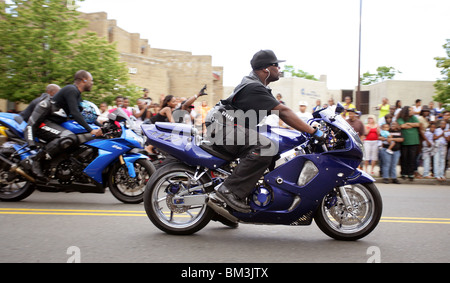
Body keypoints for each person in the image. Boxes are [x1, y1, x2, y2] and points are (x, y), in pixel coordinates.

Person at [206, 50, 323, 213]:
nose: (279, 68)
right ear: (266, 69)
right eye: (276, 65)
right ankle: (229, 191)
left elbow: (278, 115)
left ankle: (224, 212)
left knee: (272, 141)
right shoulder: (254, 87)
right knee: (265, 147)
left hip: (225, 127)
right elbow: (284, 112)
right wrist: (313, 132)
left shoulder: (256, 86)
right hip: (222, 128)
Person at [25, 70, 102, 179]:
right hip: (44, 123)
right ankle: (36, 160)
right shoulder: (71, 90)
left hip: (55, 124)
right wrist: (90, 130)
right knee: (68, 137)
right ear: (84, 80)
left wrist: (101, 126)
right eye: (91, 80)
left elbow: (84, 115)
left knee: (75, 140)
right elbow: (75, 113)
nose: (92, 83)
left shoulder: (77, 95)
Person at [397, 106, 421, 181]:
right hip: (405, 142)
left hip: (414, 141)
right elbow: (402, 126)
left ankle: (411, 174)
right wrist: (412, 125)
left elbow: (418, 124)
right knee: (404, 158)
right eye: (410, 110)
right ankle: (404, 173)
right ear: (406, 111)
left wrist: (408, 124)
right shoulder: (401, 118)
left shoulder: (413, 117)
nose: (412, 111)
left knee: (412, 158)